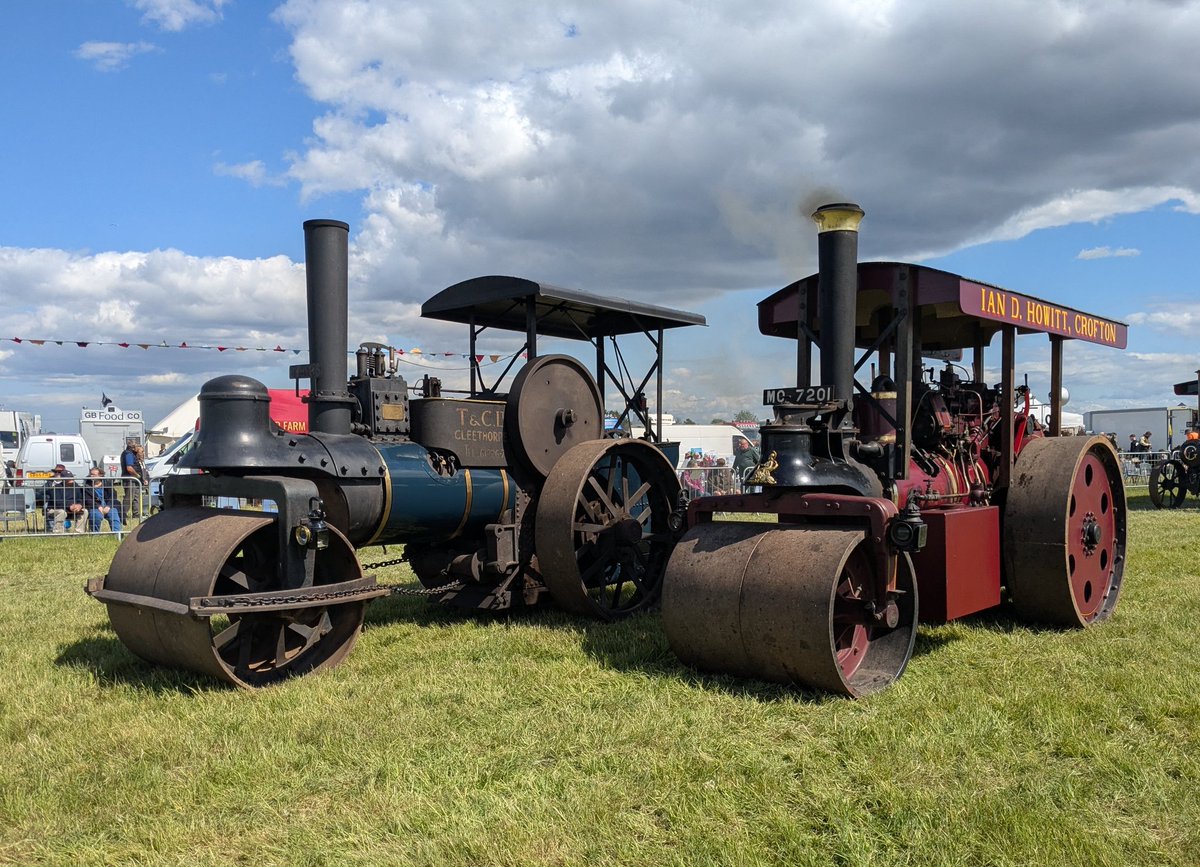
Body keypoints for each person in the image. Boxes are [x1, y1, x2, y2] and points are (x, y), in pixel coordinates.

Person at [44, 466, 87, 534]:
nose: (71, 479)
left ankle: (79, 532)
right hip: (54, 509)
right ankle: (58, 532)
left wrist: (79, 505)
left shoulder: (76, 487)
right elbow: (57, 502)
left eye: (71, 477)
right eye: (68, 477)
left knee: (84, 511)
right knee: (62, 512)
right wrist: (70, 506)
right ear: (63, 479)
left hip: (71, 509)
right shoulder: (56, 488)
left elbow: (80, 498)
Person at [85, 467, 123, 533]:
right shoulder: (87, 486)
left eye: (94, 475)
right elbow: (88, 499)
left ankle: (117, 534)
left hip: (108, 506)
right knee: (95, 515)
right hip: (94, 507)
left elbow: (113, 496)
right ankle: (94, 534)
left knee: (113, 514)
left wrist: (108, 506)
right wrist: (98, 506)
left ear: (100, 475)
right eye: (91, 474)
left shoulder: (107, 484)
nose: (91, 476)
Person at [121, 439, 148, 519]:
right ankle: (123, 514)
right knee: (129, 498)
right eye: (136, 446)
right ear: (133, 447)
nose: (137, 447)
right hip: (130, 479)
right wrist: (137, 475)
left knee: (136, 497)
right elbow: (129, 468)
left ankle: (136, 514)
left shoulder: (130, 453)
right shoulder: (128, 454)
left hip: (133, 479)